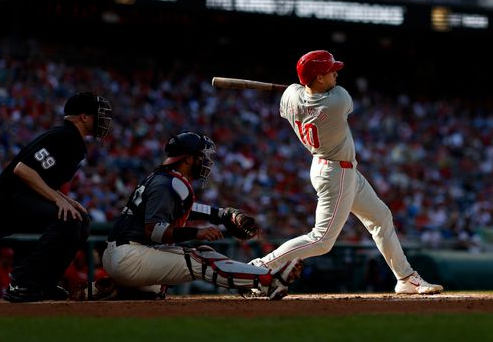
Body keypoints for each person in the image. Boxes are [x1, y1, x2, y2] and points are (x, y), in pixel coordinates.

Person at [249, 50, 443, 295]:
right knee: (321, 240)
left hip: (333, 167)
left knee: (381, 217)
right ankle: (259, 267)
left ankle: (406, 278)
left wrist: (300, 88)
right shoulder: (338, 100)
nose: (336, 73)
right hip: (335, 172)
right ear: (318, 78)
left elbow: (297, 92)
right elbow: (318, 94)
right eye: (331, 70)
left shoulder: (290, 97)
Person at [86, 131, 302, 301]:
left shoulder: (164, 178)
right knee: (200, 259)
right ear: (188, 159)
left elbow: (185, 208)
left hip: (124, 254)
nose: (206, 161)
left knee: (163, 284)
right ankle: (267, 281)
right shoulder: (168, 183)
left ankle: (111, 289)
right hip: (130, 255)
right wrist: (197, 232)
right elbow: (155, 231)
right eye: (202, 156)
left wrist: (222, 215)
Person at [0, 91, 112, 302]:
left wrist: (67, 200)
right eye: (99, 115)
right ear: (84, 117)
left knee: (81, 220)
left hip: (20, 199)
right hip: (4, 201)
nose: (104, 120)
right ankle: (21, 282)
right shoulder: (64, 136)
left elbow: (41, 180)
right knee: (67, 220)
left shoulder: (71, 139)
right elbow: (23, 170)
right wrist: (58, 199)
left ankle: (44, 283)